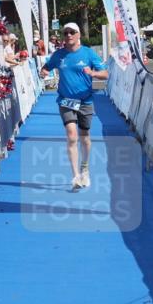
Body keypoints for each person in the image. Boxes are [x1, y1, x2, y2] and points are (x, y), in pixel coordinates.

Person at [40, 22, 108, 191]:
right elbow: (46, 67)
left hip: (85, 101)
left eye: (72, 32)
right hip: (66, 101)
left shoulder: (88, 53)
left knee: (84, 136)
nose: (68, 35)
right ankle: (76, 176)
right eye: (66, 33)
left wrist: (93, 73)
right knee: (72, 136)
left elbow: (105, 73)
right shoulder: (59, 55)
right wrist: (43, 72)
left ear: (78, 35)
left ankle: (85, 168)